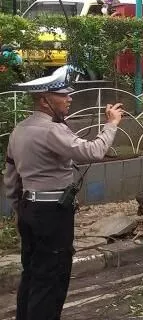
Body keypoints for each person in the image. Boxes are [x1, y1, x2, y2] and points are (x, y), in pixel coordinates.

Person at [2, 65, 124, 320]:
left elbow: (11, 178)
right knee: (52, 279)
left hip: (29, 209)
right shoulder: (51, 130)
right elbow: (92, 151)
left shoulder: (21, 129)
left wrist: (19, 210)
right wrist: (111, 124)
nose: (70, 98)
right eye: (63, 95)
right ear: (45, 100)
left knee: (33, 274)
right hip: (51, 214)